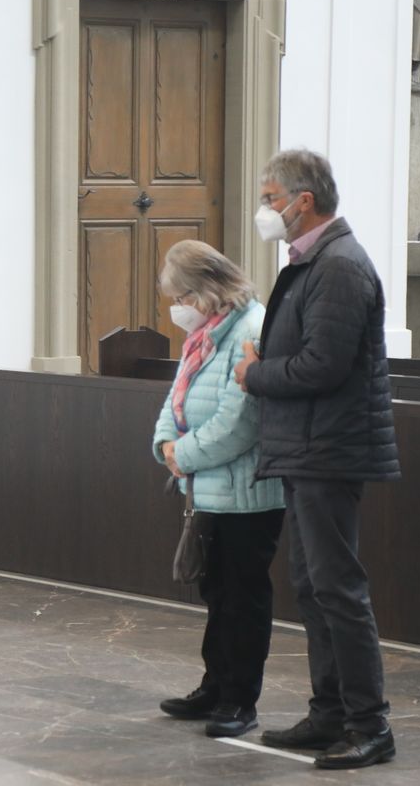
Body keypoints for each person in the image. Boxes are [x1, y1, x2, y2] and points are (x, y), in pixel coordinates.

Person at [233, 149, 400, 769]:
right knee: (311, 587)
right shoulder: (313, 262)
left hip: (329, 449)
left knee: (339, 588)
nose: (265, 209)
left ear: (304, 201)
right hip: (308, 446)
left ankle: (369, 724)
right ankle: (329, 713)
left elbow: (322, 366)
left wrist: (256, 372)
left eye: (270, 196)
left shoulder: (338, 267)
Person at [152, 240, 285, 739]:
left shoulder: (253, 329)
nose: (177, 307)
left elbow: (240, 421)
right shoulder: (207, 333)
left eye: (183, 295)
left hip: (248, 490)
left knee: (243, 595)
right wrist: (165, 441)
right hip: (209, 485)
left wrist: (181, 457)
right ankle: (214, 685)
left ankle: (239, 699)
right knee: (217, 592)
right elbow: (179, 392)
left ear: (208, 289)